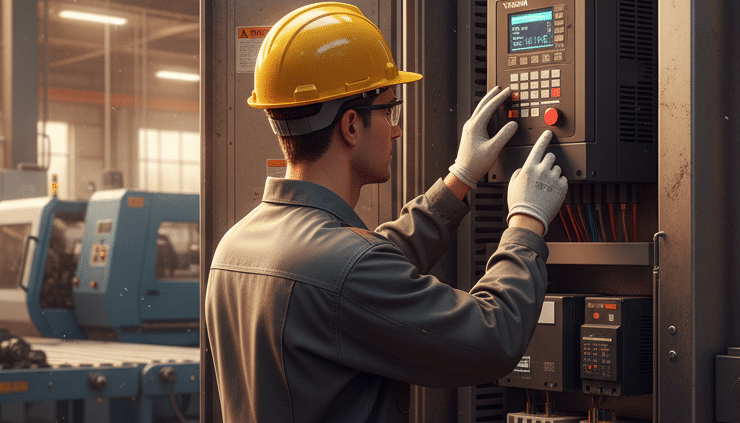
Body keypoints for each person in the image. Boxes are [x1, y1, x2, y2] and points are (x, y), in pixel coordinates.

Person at [204, 3, 568, 422]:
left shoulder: (236, 246)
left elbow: (362, 266)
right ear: (351, 126)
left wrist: (459, 178)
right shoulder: (342, 268)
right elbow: (493, 337)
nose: (396, 127)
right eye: (389, 109)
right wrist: (526, 221)